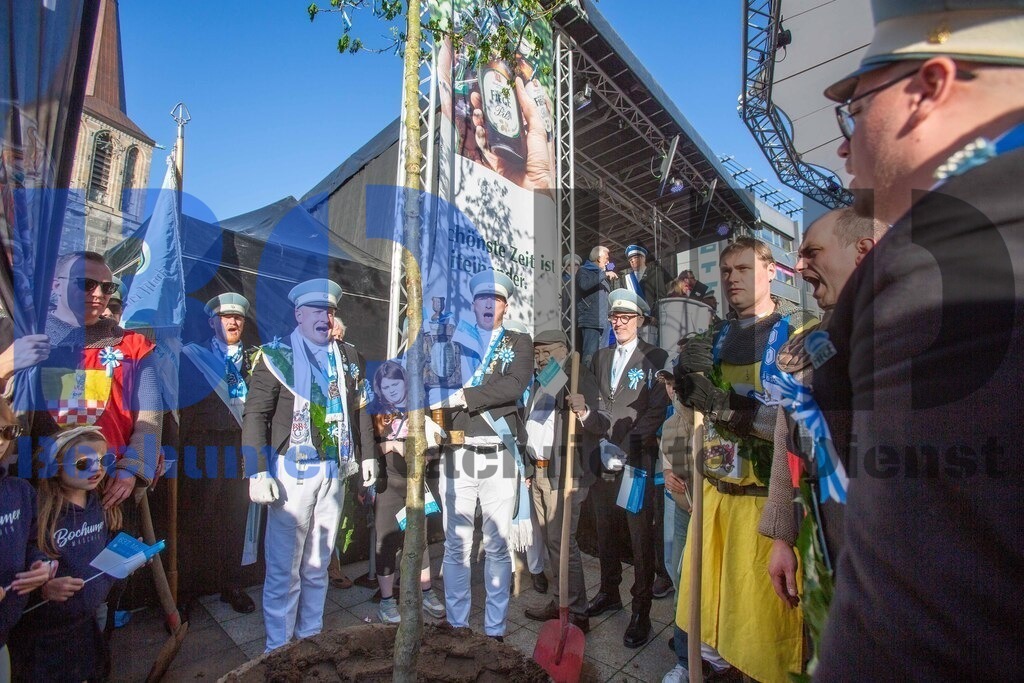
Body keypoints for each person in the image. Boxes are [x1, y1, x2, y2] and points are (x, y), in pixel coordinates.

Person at [814, 2, 1024, 678]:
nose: (845, 143)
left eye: (855, 109)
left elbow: (907, 641)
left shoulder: (950, 252)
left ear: (930, 86)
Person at [668, 237, 814, 682]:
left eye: (745, 269)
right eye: (727, 271)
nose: (733, 278)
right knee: (708, 620)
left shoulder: (799, 335)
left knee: (761, 636)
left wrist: (729, 406)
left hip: (764, 506)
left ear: (772, 271)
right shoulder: (715, 338)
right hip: (713, 499)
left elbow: (797, 428)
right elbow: (690, 416)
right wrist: (686, 386)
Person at [758, 209, 882, 611]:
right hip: (827, 556)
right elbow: (787, 443)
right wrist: (783, 536)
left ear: (864, 252)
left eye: (813, 252)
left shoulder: (926, 332)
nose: (798, 265)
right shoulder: (808, 346)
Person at [242, 278, 375, 652]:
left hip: (335, 469)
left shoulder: (349, 356)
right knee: (285, 567)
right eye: (316, 310)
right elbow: (256, 414)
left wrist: (367, 457)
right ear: (298, 314)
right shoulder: (275, 356)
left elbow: (359, 410)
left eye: (330, 311)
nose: (325, 317)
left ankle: (311, 635)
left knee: (318, 561)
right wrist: (256, 470)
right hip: (292, 472)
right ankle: (278, 648)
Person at [431, 270, 533, 640]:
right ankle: (458, 623)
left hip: (500, 456)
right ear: (473, 304)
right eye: (482, 300)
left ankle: (494, 630)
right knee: (457, 545)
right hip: (458, 453)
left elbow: (514, 385)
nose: (489, 305)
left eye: (497, 300)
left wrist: (464, 396)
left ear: (506, 306)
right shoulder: (455, 342)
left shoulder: (520, 342)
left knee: (498, 545)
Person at [40, 252, 161, 509]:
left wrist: (132, 467)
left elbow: (150, 418)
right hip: (39, 484)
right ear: (57, 284)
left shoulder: (135, 346)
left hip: (110, 484)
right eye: (86, 284)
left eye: (107, 287)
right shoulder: (27, 339)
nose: (99, 294)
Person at [585, 289, 669, 649]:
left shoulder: (656, 357)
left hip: (636, 459)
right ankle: (609, 590)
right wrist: (597, 439)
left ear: (641, 321)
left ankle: (642, 611)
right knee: (605, 526)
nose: (618, 323)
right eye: (614, 318)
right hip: (603, 456)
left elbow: (654, 412)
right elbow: (593, 402)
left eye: (626, 318)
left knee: (639, 535)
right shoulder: (599, 357)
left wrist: (625, 447)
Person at [9, 426, 123, 682]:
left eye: (104, 460)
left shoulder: (101, 504)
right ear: (56, 466)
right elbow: (25, 555)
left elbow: (102, 553)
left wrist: (128, 555)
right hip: (44, 632)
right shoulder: (41, 510)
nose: (97, 469)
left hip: (87, 623)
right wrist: (44, 586)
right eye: (83, 463)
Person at [520, 330, 609, 634]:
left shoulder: (576, 373)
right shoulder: (547, 379)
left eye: (548, 352)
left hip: (567, 472)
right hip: (542, 470)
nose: (541, 359)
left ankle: (577, 612)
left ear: (564, 350)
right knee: (550, 542)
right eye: (538, 354)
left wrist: (584, 411)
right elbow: (535, 424)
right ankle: (560, 602)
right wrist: (531, 467)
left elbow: (602, 422)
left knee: (562, 544)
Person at [177, 293, 256, 614]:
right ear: (212, 322)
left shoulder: (257, 360)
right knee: (196, 519)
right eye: (225, 317)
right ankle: (186, 591)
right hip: (202, 449)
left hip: (240, 449)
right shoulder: (191, 357)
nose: (233, 322)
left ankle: (231, 585)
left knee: (234, 520)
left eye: (238, 318)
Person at [368, 360, 446, 624]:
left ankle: (426, 592)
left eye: (395, 384)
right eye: (385, 386)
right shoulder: (377, 413)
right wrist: (391, 446)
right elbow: (367, 451)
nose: (391, 390)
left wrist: (429, 453)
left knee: (419, 540)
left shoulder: (418, 408)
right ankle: (388, 601)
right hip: (388, 485)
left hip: (415, 483)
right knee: (386, 542)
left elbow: (436, 443)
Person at [0, 397, 50, 680]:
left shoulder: (19, 492)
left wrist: (40, 564)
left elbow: (31, 542)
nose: (0, 441)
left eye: (7, 432)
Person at [575, 246, 617, 367]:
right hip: (591, 320)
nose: (608, 261)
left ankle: (598, 381)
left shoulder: (602, 275)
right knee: (590, 355)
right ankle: (586, 382)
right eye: (606, 258)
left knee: (602, 356)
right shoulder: (584, 270)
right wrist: (604, 273)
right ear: (599, 258)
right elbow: (584, 285)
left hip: (604, 322)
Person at [620, 244, 672, 343]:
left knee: (649, 351)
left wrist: (656, 317)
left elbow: (661, 298)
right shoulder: (627, 279)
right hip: (632, 322)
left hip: (650, 320)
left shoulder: (655, 274)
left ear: (643, 258)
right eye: (630, 260)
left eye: (635, 258)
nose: (632, 261)